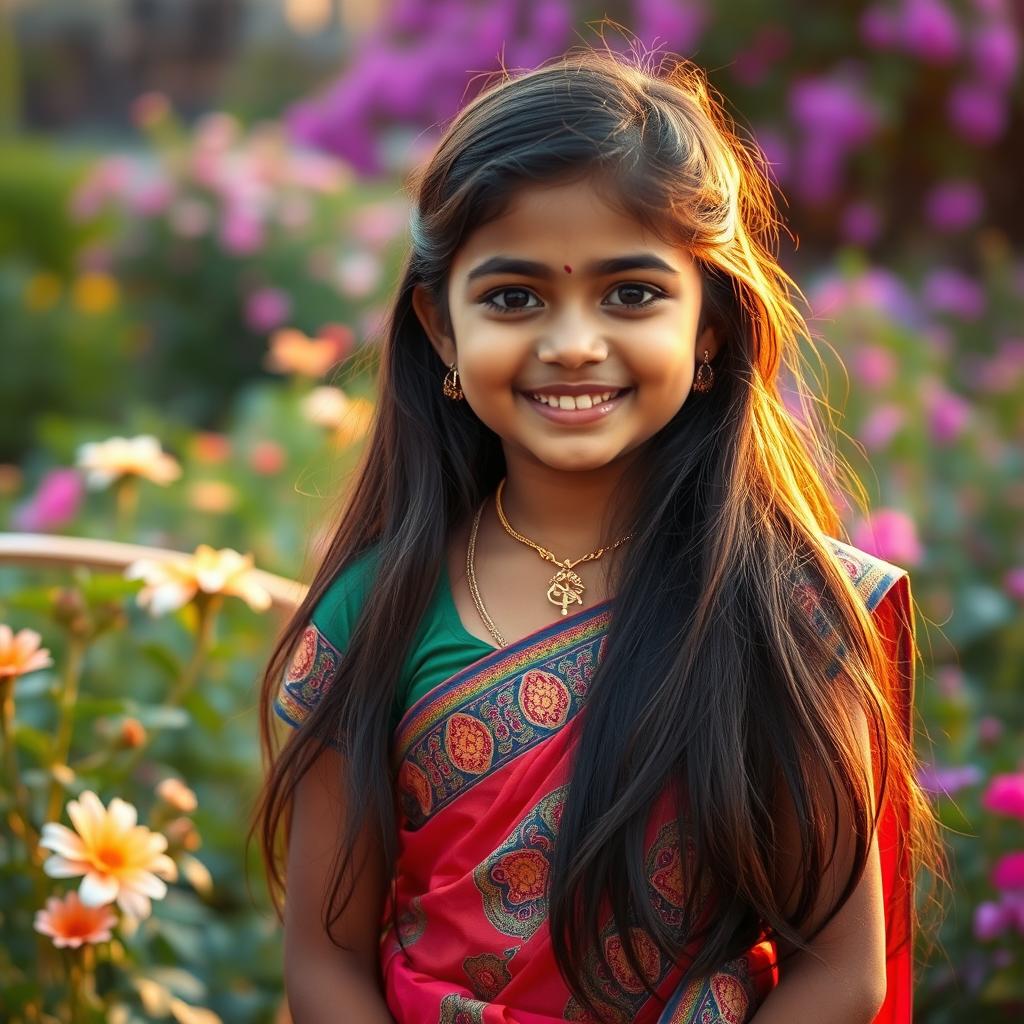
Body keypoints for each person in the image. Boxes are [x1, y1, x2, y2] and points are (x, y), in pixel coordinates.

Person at [251, 48, 945, 1024]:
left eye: (630, 293)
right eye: (512, 297)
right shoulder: (375, 614)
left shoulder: (784, 612)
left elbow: (843, 972)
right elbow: (326, 962)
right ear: (440, 329)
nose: (572, 340)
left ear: (709, 326)